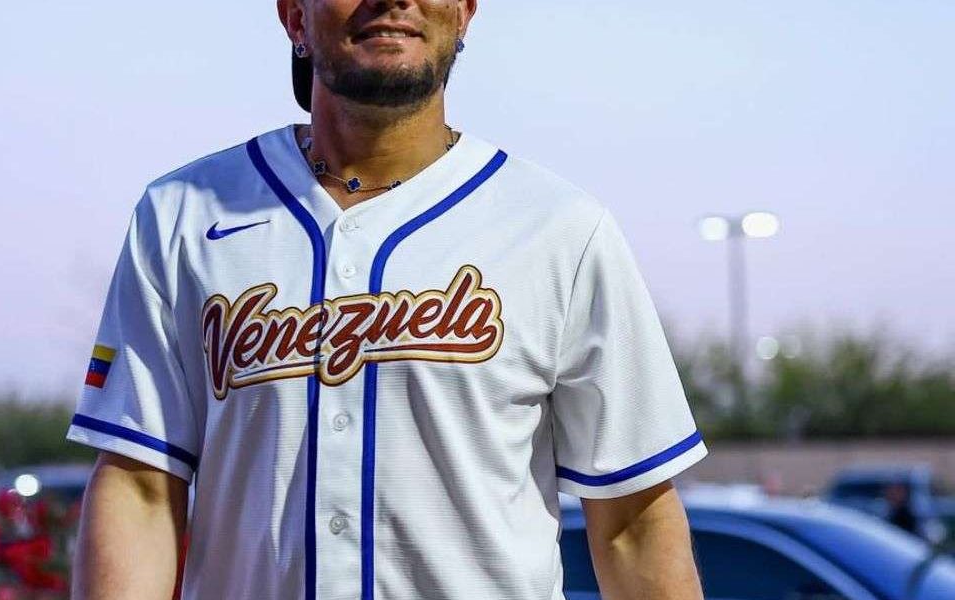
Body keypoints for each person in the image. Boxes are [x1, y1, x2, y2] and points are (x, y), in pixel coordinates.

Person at [66, 1, 709, 598]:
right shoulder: (181, 215)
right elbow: (140, 486)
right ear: (294, 16)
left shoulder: (560, 229)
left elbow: (632, 522)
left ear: (465, 12)